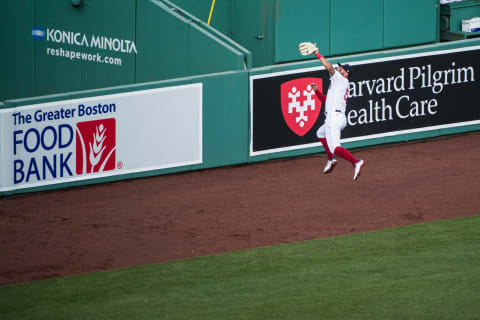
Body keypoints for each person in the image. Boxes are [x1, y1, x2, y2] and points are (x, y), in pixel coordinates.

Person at [310, 49, 365, 181]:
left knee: (335, 147)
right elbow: (325, 101)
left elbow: (328, 66)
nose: (339, 69)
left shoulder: (340, 80)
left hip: (334, 118)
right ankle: (331, 159)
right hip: (337, 117)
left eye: (342, 69)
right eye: (339, 68)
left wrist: (316, 53)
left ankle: (356, 162)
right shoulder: (336, 85)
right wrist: (317, 91)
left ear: (346, 74)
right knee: (320, 133)